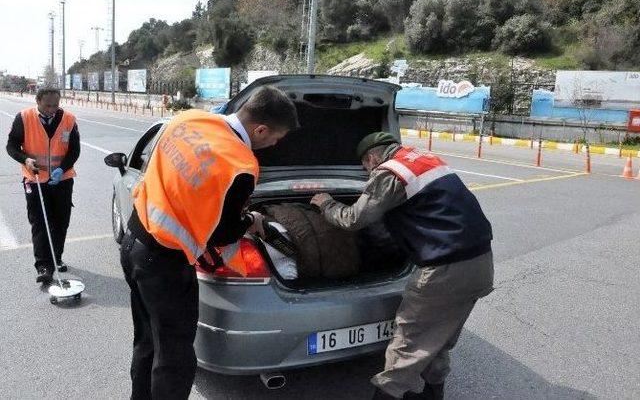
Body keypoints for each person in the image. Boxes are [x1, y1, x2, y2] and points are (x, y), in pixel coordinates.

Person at [120, 86, 298, 400]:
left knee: (148, 340)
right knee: (174, 358)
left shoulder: (187, 120)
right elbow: (224, 234)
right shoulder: (240, 166)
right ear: (260, 129)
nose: (275, 144)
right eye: (277, 137)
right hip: (165, 263)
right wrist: (250, 221)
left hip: (133, 241)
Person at [310, 132, 494, 400]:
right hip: (480, 263)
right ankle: (433, 394)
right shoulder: (425, 159)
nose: (366, 172)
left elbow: (353, 219)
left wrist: (325, 203)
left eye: (365, 166)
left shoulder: (390, 173)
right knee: (439, 335)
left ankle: (386, 395)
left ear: (372, 157)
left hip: (444, 269)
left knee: (407, 343)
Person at [6, 87, 80, 284]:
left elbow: (74, 151)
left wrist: (62, 169)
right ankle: (44, 266)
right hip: (34, 178)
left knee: (60, 221)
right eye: (48, 105)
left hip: (61, 179)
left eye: (56, 105)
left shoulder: (69, 120)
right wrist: (25, 160)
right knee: (39, 222)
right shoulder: (23, 118)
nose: (52, 109)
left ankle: (56, 258)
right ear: (37, 101)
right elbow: (11, 146)